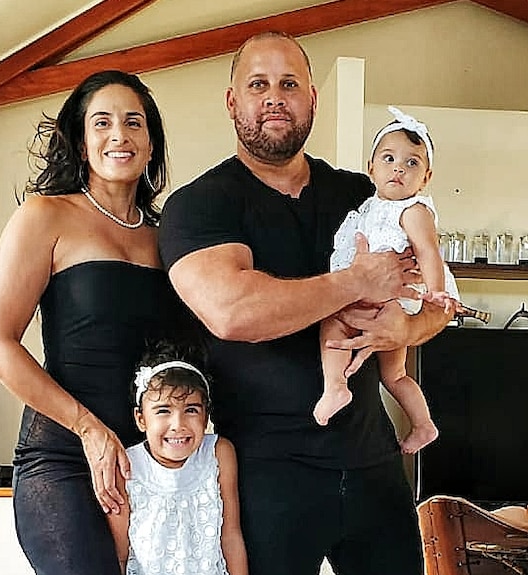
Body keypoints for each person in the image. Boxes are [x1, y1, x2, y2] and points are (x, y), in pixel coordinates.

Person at [158, 32, 453, 575]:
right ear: (232, 102)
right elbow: (234, 313)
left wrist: (406, 331)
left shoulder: (363, 196)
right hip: (264, 473)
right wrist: (357, 281)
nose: (275, 97)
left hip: (373, 464)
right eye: (259, 85)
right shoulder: (199, 205)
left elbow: (437, 296)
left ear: (312, 99)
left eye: (289, 84)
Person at [0, 70, 190, 575]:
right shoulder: (45, 216)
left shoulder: (170, 237)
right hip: (64, 456)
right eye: (102, 122)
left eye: (134, 122)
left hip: (153, 459)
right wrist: (88, 429)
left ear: (152, 144)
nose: (119, 135)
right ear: (81, 140)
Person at [314, 107, 459, 456]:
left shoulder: (414, 210)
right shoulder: (368, 206)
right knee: (393, 375)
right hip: (376, 292)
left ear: (425, 178)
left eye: (412, 163)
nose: (398, 168)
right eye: (390, 158)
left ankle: (335, 385)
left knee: (331, 321)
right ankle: (423, 424)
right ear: (371, 168)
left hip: (394, 298)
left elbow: (428, 252)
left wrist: (435, 294)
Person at [106, 340, 248, 575]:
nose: (178, 425)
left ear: (205, 417)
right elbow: (120, 554)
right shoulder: (126, 466)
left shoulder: (219, 453)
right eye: (163, 411)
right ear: (141, 419)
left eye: (191, 410)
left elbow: (231, 535)